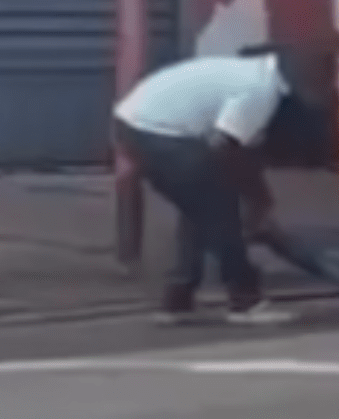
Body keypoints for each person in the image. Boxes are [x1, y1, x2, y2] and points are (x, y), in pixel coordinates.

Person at [113, 45, 306, 325]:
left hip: (134, 121)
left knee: (198, 207)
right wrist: (255, 199)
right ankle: (244, 300)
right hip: (158, 132)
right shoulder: (261, 91)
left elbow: (242, 149)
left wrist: (258, 195)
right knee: (220, 209)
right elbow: (225, 148)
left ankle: (178, 299)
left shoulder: (253, 73)